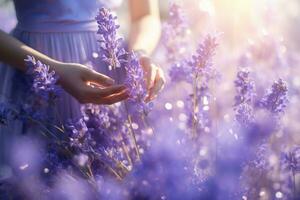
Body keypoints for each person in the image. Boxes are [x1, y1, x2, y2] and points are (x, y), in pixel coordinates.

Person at [0, 0, 165, 181]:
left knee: (114, 176)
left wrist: (140, 54)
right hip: (36, 71)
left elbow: (145, 15)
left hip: (110, 70)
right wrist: (53, 71)